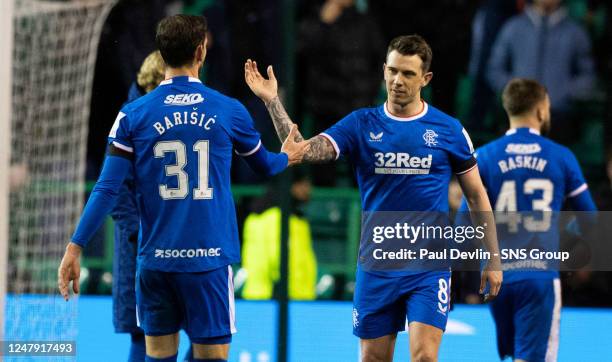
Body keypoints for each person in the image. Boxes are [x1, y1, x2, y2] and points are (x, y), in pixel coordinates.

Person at [58, 14, 309, 362]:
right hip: (207, 262)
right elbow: (266, 165)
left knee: (158, 356)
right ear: (201, 51)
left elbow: (106, 189)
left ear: (161, 53)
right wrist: (288, 157)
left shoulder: (132, 114)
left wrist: (75, 247)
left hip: (156, 263)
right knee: (212, 356)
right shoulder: (227, 110)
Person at [245, 35, 503, 362]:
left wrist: (492, 259)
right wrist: (272, 102)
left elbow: (477, 194)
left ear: (426, 79)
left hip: (428, 267)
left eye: (408, 74)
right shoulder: (360, 125)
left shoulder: (448, 130)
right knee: (373, 359)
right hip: (377, 265)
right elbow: (302, 150)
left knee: (425, 356)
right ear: (383, 70)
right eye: (393, 71)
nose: (397, 80)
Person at [460, 78, 597, 361]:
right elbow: (590, 219)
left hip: (498, 280)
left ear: (507, 108)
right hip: (539, 276)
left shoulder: (484, 157)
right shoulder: (561, 157)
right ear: (541, 110)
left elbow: (463, 222)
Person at [487, 0, 595, 143]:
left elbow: (588, 75)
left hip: (558, 119)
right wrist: (516, 92)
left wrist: (563, 93)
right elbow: (494, 69)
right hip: (517, 116)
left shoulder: (575, 32)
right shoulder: (513, 27)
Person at [241, 174, 317, 300]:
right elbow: (276, 259)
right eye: (304, 184)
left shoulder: (292, 218)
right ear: (291, 186)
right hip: (280, 299)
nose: (308, 189)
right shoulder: (276, 218)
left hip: (263, 296)